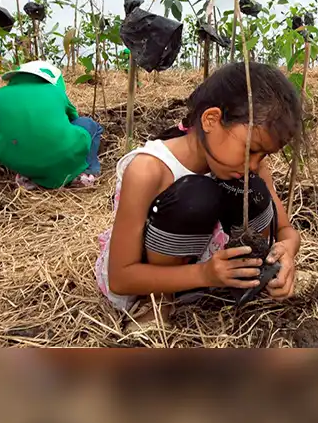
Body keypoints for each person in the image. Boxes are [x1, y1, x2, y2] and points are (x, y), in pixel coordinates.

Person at [95, 61, 303, 320]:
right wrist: (204, 274)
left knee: (253, 190)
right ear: (211, 120)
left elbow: (285, 230)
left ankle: (247, 280)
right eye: (251, 150)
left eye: (264, 155)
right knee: (195, 198)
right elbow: (121, 278)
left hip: (218, 275)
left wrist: (286, 251)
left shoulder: (252, 168)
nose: (253, 164)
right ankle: (159, 302)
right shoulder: (148, 171)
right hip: (152, 280)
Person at [0, 60, 102, 189]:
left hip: (18, 161)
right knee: (88, 124)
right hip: (62, 154)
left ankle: (29, 177)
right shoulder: (56, 92)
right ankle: (86, 173)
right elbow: (73, 120)